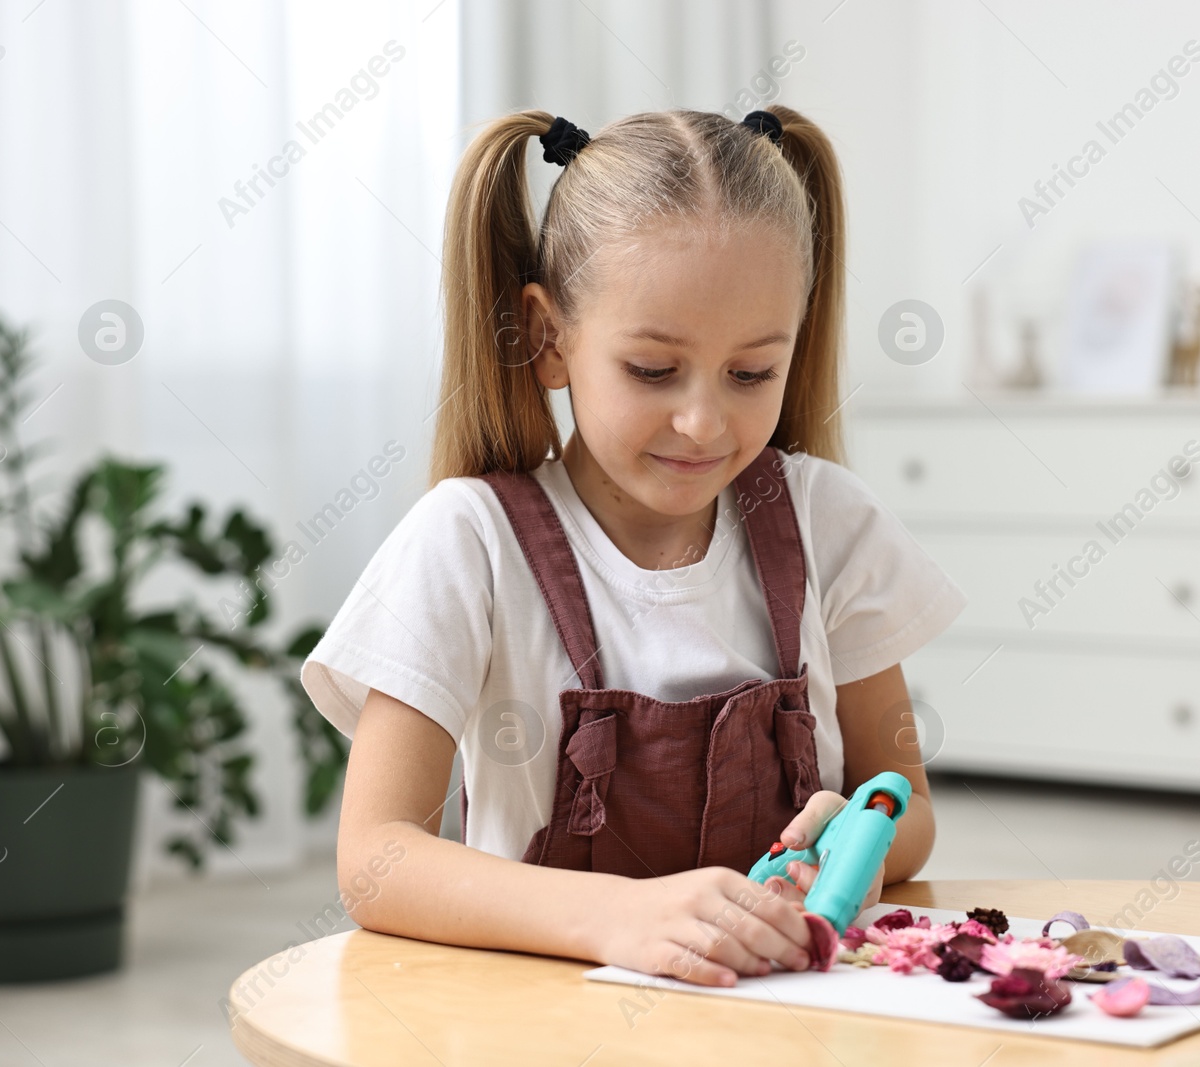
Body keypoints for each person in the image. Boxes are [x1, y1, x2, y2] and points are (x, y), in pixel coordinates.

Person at [302, 105, 967, 987]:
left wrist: (857, 834)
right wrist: (622, 917)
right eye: (653, 371)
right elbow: (375, 859)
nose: (703, 421)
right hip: (550, 1027)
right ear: (548, 337)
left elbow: (907, 803)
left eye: (752, 373)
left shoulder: (827, 522)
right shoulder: (469, 541)